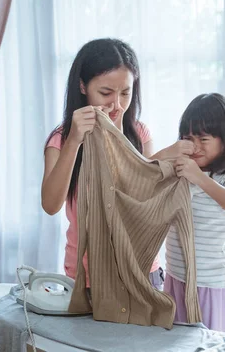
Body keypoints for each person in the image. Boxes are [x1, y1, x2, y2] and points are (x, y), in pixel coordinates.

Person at [41, 38, 187, 289]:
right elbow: (51, 205)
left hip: (141, 270)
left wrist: (119, 135)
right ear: (83, 86)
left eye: (126, 92)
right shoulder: (61, 139)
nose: (116, 104)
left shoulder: (139, 133)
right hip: (87, 276)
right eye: (106, 93)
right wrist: (74, 140)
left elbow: (144, 197)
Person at [163, 93, 225, 333]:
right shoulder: (179, 168)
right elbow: (139, 172)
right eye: (187, 138)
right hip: (175, 278)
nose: (195, 146)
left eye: (204, 138)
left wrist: (200, 179)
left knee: (208, 343)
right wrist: (169, 151)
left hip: (208, 284)